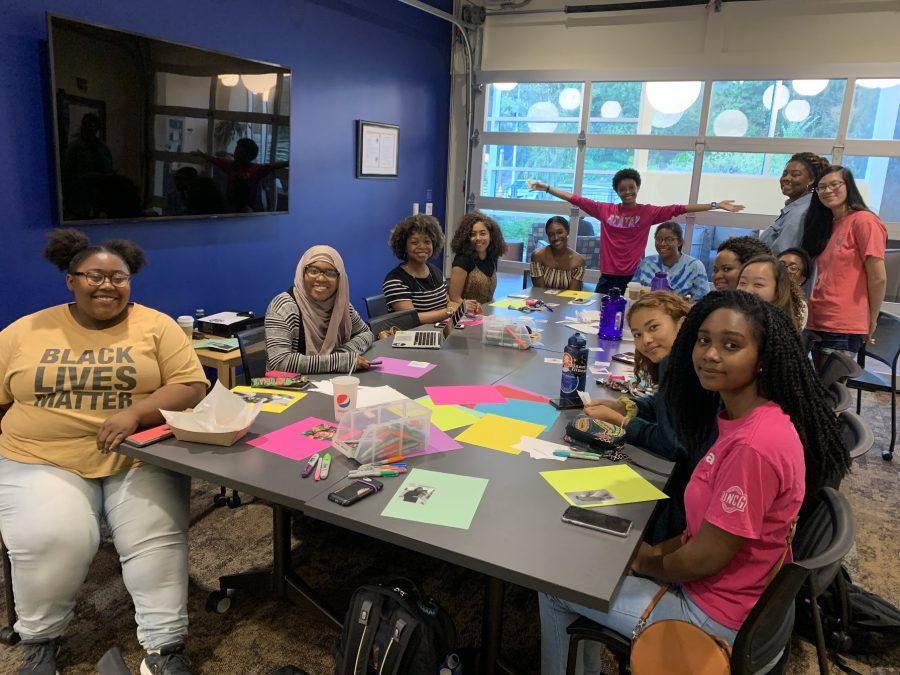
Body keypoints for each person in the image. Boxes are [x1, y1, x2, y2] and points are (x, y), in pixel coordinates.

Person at [540, 291, 850, 675]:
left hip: (715, 621)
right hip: (741, 602)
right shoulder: (750, 418)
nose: (710, 355)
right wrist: (646, 555)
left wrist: (645, 563)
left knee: (555, 586)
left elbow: (704, 557)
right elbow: (701, 534)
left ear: (765, 360)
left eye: (731, 345)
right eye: (704, 341)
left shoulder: (753, 446)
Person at [0, 229, 208, 675]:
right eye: (94, 275)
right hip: (39, 456)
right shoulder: (24, 331)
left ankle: (165, 648)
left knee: (157, 539)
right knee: (55, 538)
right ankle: (39, 644)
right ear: (70, 280)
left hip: (140, 456)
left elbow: (191, 385)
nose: (107, 285)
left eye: (119, 277)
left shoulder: (157, 326)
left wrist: (136, 413)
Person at [582, 292, 709, 543]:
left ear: (681, 324)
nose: (646, 340)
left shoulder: (676, 366)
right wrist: (626, 406)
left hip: (686, 502)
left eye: (654, 328)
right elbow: (667, 404)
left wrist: (622, 422)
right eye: (638, 334)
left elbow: (673, 445)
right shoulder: (683, 359)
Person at [529, 169, 744, 293]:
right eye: (623, 189)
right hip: (607, 276)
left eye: (631, 187)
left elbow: (680, 208)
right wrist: (546, 188)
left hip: (634, 278)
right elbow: (574, 198)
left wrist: (715, 204)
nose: (628, 192)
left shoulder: (647, 212)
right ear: (617, 192)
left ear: (637, 188)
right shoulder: (605, 210)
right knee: (597, 317)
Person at [802, 165, 888, 362]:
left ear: (848, 185)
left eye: (834, 184)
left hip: (843, 324)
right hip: (818, 319)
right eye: (821, 187)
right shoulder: (828, 224)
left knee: (831, 390)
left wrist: (872, 320)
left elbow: (878, 277)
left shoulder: (865, 221)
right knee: (817, 387)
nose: (828, 190)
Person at [266, 245, 375, 374]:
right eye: (313, 271)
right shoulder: (283, 307)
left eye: (330, 273)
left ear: (339, 279)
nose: (321, 279)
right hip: (291, 389)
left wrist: (343, 352)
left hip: (329, 382)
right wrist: (339, 361)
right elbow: (279, 362)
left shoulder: (340, 305)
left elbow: (366, 333)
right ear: (302, 272)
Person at [383, 214, 479, 324]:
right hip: (411, 337)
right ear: (404, 246)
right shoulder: (395, 280)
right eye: (415, 242)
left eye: (427, 242)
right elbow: (410, 319)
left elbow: (447, 303)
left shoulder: (435, 272)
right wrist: (449, 311)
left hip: (438, 333)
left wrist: (466, 307)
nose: (422, 246)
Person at [759, 152, 830, 255]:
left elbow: (783, 255)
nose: (786, 178)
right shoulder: (799, 206)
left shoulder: (799, 212)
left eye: (795, 175)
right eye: (784, 174)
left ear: (811, 180)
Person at [192, 138, 288, 212]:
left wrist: (288, 162)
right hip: (231, 206)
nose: (235, 153)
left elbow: (272, 166)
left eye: (239, 151)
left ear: (248, 155)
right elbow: (216, 160)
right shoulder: (232, 165)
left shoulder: (255, 169)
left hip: (246, 208)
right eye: (236, 150)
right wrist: (202, 154)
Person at [632, 221, 710, 299]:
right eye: (659, 239)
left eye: (668, 240)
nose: (662, 244)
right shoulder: (647, 263)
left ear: (679, 242)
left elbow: (703, 299)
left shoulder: (694, 266)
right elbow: (632, 291)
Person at [448, 211, 507, 305]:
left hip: (487, 314)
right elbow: (454, 299)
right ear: (467, 238)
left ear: (491, 236)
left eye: (483, 233)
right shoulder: (462, 259)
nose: (478, 238)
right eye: (473, 234)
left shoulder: (492, 256)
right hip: (467, 316)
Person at [738, 255, 807, 330]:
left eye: (758, 284)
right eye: (742, 283)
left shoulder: (780, 332)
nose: (746, 290)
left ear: (778, 291)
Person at [529, 216, 585, 290]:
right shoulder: (538, 256)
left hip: (566, 301)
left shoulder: (578, 261)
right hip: (543, 300)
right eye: (551, 234)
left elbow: (573, 295)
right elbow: (539, 291)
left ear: (567, 231)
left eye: (560, 232)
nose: (556, 238)